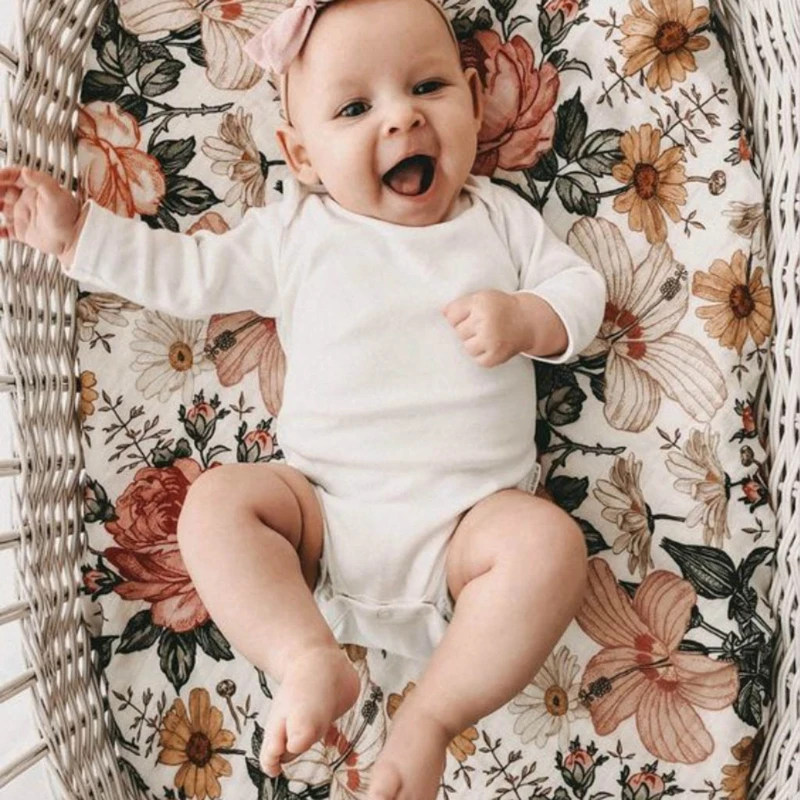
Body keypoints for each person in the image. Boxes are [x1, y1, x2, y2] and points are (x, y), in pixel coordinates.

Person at [0, 0, 606, 796]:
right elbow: (188, 275)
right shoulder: (295, 233)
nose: (402, 119)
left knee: (551, 547)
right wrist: (78, 232)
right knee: (216, 504)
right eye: (354, 109)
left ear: (470, 95)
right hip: (320, 517)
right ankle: (305, 656)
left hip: (471, 529)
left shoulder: (500, 221)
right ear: (303, 154)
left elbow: (580, 289)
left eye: (427, 87)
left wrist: (529, 318)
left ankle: (430, 717)